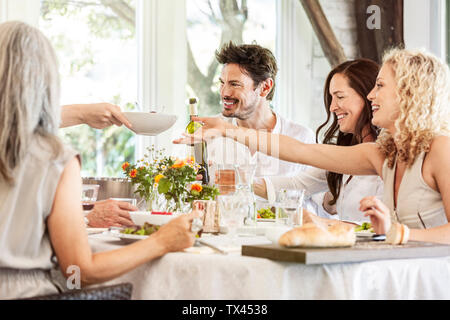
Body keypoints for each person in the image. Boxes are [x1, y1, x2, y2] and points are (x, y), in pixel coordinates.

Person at [0, 21, 199, 300]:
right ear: (46, 81)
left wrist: (81, 113)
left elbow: (15, 116)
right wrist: (161, 242)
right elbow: (78, 271)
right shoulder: (55, 159)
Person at [175, 48, 450, 244]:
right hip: (398, 269)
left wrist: (397, 233)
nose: (371, 95)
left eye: (380, 86)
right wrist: (227, 130)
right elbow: (302, 151)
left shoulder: (441, 149)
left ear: (409, 92)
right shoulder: (382, 154)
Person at [253, 59, 384, 223]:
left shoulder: (385, 156)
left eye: (340, 97)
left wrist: (321, 222)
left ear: (369, 96)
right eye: (332, 98)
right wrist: (240, 182)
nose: (332, 107)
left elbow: (383, 228)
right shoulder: (343, 154)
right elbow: (296, 184)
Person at [209, 42, 321, 213]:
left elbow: (323, 202)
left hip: (285, 237)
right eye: (222, 83)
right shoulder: (210, 134)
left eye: (234, 84)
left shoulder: (300, 136)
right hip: (230, 236)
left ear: (265, 87)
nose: (224, 92)